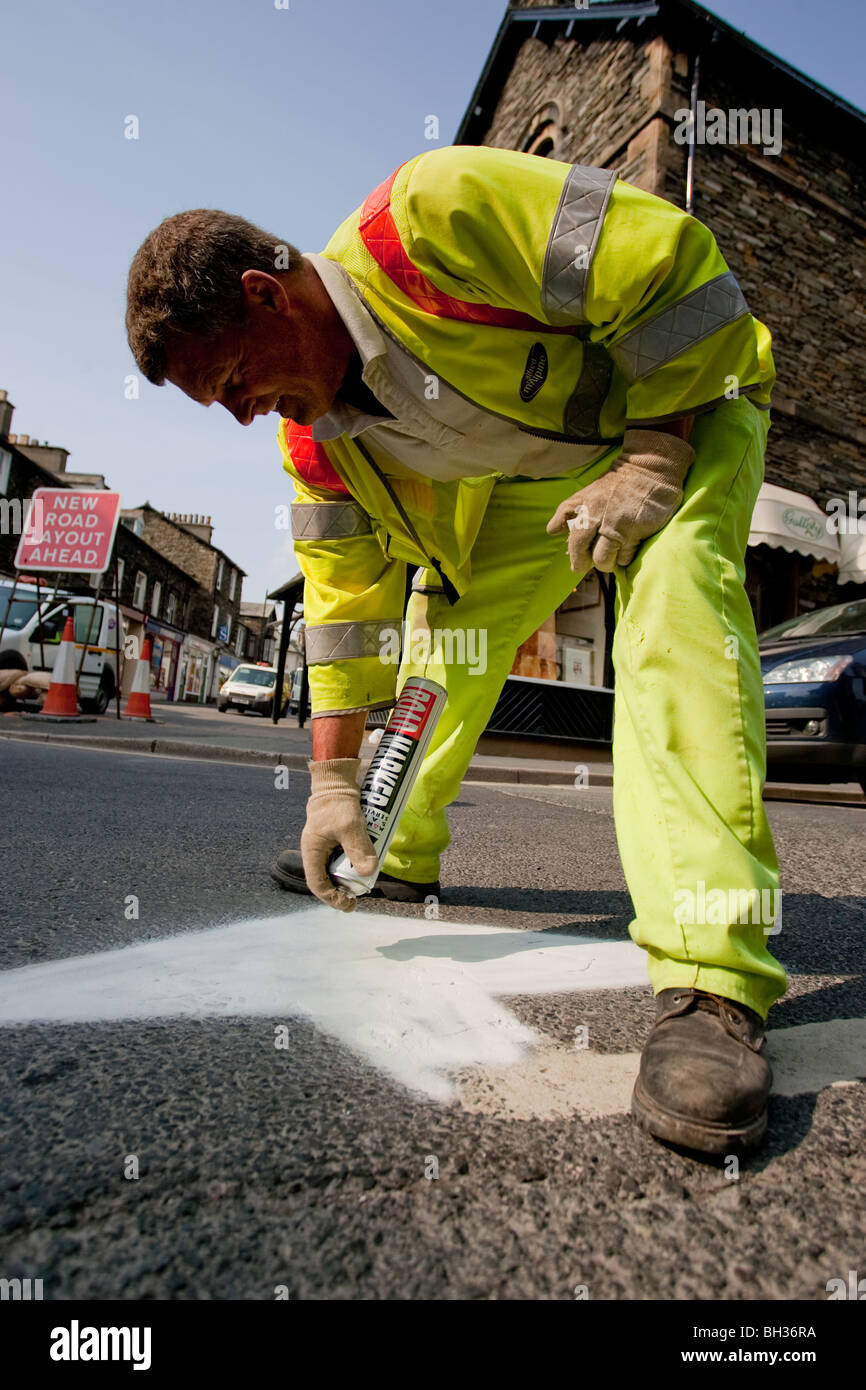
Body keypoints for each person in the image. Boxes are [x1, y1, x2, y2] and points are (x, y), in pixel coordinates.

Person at [126, 144, 786, 1156]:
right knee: (447, 645)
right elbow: (347, 622)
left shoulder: (429, 219)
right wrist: (331, 786)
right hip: (532, 482)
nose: (239, 412)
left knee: (673, 605)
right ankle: (387, 849)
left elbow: (670, 259)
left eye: (230, 382)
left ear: (266, 295)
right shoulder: (313, 442)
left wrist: (654, 454)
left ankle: (710, 977)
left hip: (685, 406)